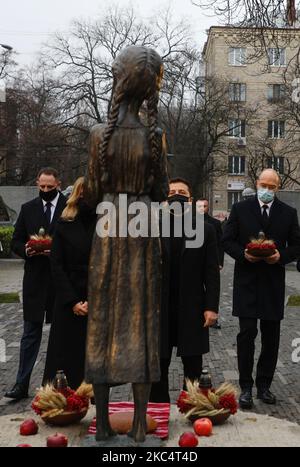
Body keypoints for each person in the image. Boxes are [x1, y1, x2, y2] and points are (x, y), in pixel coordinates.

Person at [84, 45, 169, 442]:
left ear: (121, 80)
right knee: (142, 321)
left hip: (107, 231)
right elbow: (163, 192)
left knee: (102, 320)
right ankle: (138, 424)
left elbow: (91, 193)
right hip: (142, 232)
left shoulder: (100, 135)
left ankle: (101, 423)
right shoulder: (156, 138)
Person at [222, 168, 300, 409]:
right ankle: (245, 387)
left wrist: (281, 256)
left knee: (272, 337)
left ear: (278, 187)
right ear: (257, 184)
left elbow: (297, 245)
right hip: (246, 282)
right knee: (246, 334)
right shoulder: (240, 209)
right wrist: (243, 255)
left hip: (273, 284)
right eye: (263, 184)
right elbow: (226, 240)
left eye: (272, 186)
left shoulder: (288, 213)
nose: (267, 190)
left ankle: (264, 386)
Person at [149, 178, 220, 403]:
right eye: (172, 192)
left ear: (190, 200)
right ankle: (158, 408)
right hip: (159, 307)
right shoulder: (151, 228)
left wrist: (211, 307)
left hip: (192, 305)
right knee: (158, 361)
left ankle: (192, 405)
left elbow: (212, 272)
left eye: (181, 192)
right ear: (165, 200)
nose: (176, 196)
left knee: (193, 362)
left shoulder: (205, 229)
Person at [5, 168, 66, 400]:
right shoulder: (28, 208)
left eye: (50, 187)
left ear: (58, 184)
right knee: (30, 334)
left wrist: (57, 250)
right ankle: (21, 384)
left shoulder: (70, 207)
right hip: (35, 280)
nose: (46, 191)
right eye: (42, 187)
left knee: (61, 334)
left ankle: (62, 386)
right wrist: (27, 250)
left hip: (60, 281)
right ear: (37, 184)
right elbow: (16, 241)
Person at [43, 177, 96, 389]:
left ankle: (93, 399)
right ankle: (60, 399)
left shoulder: (108, 223)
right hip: (69, 299)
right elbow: (56, 266)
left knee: (92, 356)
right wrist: (73, 301)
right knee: (63, 354)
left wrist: (94, 300)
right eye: (82, 193)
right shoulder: (64, 223)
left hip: (95, 298)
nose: (85, 198)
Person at [196, 197, 224, 329]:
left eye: (205, 206)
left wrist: (220, 262)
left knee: (212, 288)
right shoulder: (189, 222)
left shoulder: (215, 223)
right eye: (200, 206)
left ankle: (213, 314)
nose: (202, 208)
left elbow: (220, 244)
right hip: (195, 261)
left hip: (211, 261)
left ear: (208, 207)